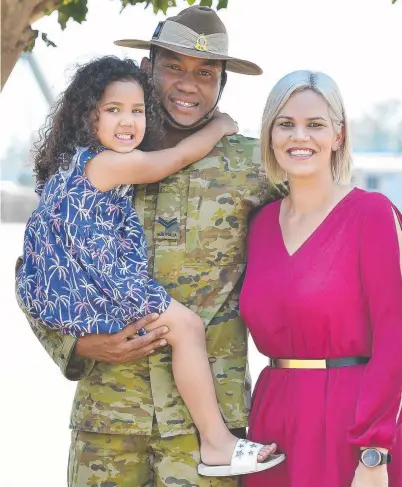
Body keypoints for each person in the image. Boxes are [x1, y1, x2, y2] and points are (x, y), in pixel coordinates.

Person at [15, 6, 286, 487]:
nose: (189, 84)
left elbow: (324, 224)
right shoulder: (105, 154)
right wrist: (75, 344)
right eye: (173, 67)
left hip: (203, 434)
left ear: (222, 84)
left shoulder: (254, 164)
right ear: (147, 69)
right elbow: (37, 267)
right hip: (108, 418)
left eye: (206, 73)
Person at [240, 70, 402, 487]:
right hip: (273, 427)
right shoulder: (260, 224)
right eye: (286, 124)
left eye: (315, 124)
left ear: (338, 135)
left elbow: (396, 339)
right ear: (269, 135)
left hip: (351, 425)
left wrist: (375, 453)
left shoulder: (372, 215)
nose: (299, 136)